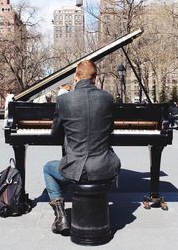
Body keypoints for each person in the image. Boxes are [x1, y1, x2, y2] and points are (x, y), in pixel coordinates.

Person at [43, 60, 121, 235]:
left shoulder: (64, 100)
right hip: (103, 166)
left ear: (75, 77)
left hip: (76, 168)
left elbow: (55, 135)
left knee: (48, 168)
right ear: (96, 78)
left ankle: (60, 214)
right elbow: (110, 130)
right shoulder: (107, 98)